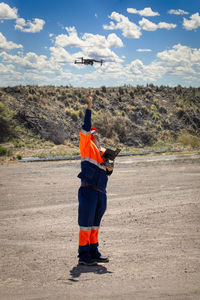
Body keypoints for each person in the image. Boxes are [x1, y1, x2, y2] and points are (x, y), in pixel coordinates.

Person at [77, 93, 113, 266]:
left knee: (94, 226)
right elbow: (85, 126)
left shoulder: (102, 151)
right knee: (85, 224)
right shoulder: (86, 145)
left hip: (101, 192)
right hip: (88, 190)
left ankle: (94, 252)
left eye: (96, 134)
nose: (95, 136)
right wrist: (89, 107)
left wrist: (110, 168)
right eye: (93, 134)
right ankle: (84, 256)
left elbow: (107, 172)